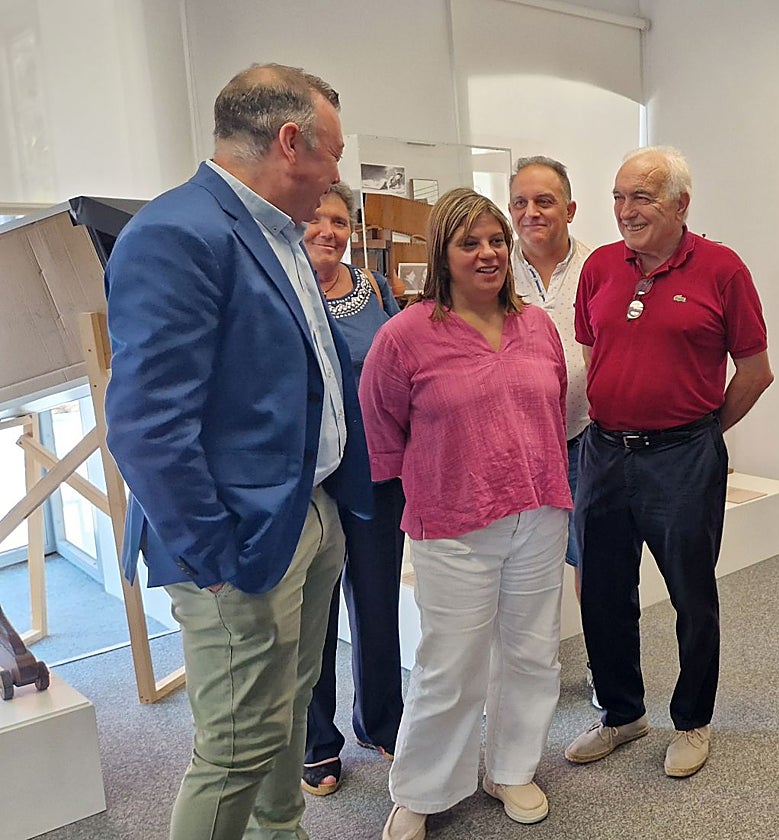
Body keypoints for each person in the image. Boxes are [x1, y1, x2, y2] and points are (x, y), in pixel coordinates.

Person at [104, 64, 372, 840]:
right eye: (333, 153)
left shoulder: (276, 233)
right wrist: (216, 560)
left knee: (286, 712)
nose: (335, 174)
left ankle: (280, 832)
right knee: (233, 751)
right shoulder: (177, 233)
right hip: (240, 546)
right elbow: (146, 425)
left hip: (307, 514)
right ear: (292, 142)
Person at [359, 188, 572, 839]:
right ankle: (423, 790)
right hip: (453, 523)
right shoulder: (405, 336)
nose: (488, 254)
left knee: (534, 654)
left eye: (496, 241)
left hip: (538, 513)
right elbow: (381, 424)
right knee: (449, 665)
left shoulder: (537, 325)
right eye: (470, 242)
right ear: (442, 254)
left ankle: (510, 767)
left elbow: (556, 407)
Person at [565, 146, 774, 779]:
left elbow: (756, 372)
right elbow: (591, 353)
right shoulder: (600, 267)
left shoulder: (721, 269)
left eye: (643, 198)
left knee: (691, 593)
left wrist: (703, 430)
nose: (626, 211)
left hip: (683, 457)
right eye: (619, 197)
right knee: (601, 592)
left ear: (681, 204)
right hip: (603, 452)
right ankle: (623, 714)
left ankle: (692, 719)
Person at [300, 182, 405, 797]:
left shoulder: (375, 288)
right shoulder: (281, 286)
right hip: (311, 479)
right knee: (316, 613)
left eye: (339, 220)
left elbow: (396, 367)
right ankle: (318, 743)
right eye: (316, 217)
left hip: (376, 472)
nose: (328, 230)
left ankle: (380, 720)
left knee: (377, 601)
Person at [507, 155, 599, 708]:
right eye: (520, 202)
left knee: (596, 561)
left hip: (589, 435)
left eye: (544, 201)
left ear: (569, 208)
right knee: (526, 565)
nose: (531, 213)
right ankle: (530, 671)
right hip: (519, 442)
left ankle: (603, 665)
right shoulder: (495, 264)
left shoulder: (602, 266)